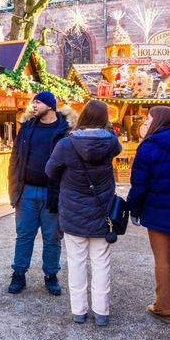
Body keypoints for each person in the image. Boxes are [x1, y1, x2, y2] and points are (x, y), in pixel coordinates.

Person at [45, 100, 121, 326]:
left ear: (83, 116)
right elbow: (114, 146)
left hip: (73, 210)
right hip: (102, 212)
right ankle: (101, 313)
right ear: (104, 118)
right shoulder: (112, 144)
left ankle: (79, 311)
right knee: (101, 263)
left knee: (76, 262)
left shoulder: (66, 145)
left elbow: (50, 171)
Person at [7, 92, 71, 295]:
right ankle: (19, 274)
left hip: (54, 192)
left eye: (38, 102)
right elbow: (15, 159)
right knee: (24, 235)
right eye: (33, 102)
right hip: (26, 191)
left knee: (52, 237)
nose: (33, 105)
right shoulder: (26, 129)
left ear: (51, 106)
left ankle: (51, 275)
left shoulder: (65, 130)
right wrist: (13, 186)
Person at [126, 106, 170, 323]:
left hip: (158, 213)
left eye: (148, 119)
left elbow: (139, 185)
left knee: (162, 261)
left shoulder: (148, 147)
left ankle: (165, 308)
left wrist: (134, 209)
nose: (145, 123)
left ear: (158, 121)